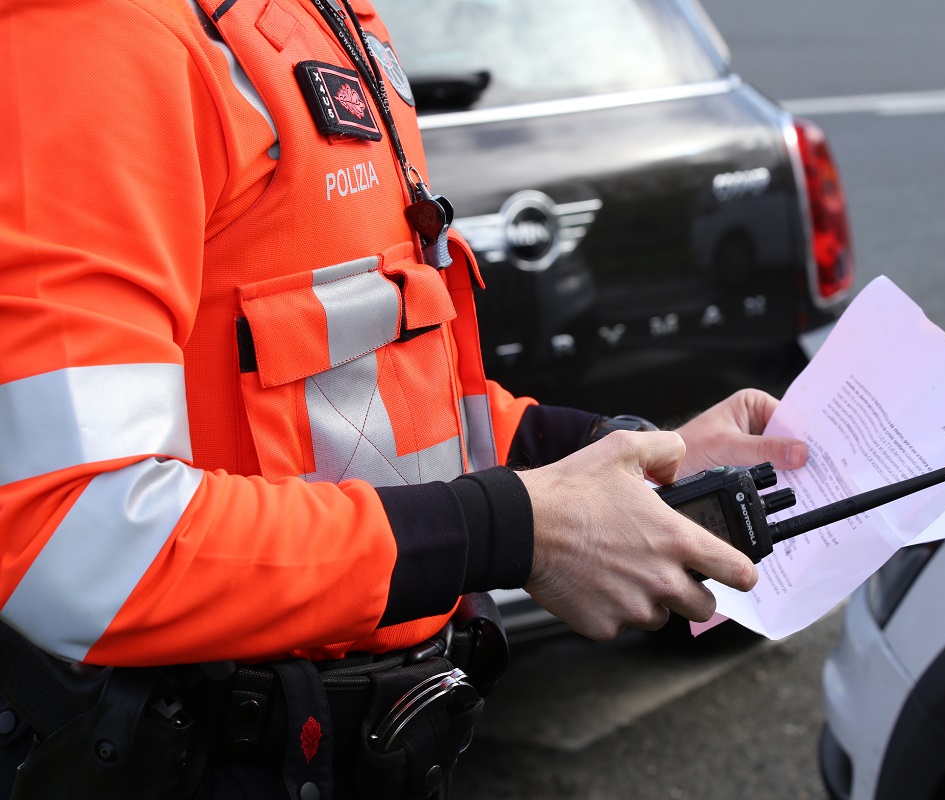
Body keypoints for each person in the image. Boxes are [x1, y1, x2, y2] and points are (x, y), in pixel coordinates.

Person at [0, 1, 808, 798]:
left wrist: (632, 456)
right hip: (186, 757)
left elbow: (382, 403)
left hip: (358, 751)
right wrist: (520, 530)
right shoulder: (94, 37)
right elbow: (76, 536)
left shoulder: (331, 19)